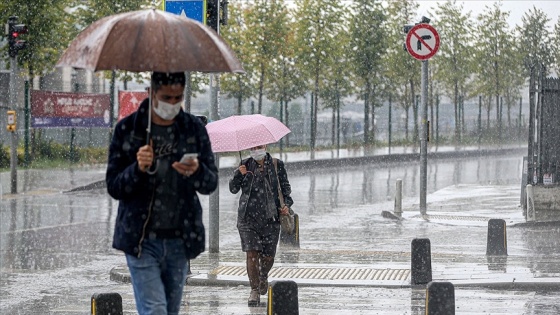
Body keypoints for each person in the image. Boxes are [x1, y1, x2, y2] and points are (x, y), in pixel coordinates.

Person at [106, 72, 218, 315]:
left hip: (179, 239)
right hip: (141, 240)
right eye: (166, 97)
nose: (172, 104)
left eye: (178, 98)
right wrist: (137, 169)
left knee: (169, 310)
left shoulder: (193, 129)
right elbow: (114, 186)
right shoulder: (128, 130)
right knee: (155, 309)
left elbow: (210, 183)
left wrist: (196, 171)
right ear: (152, 93)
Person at [229, 144, 294, 306]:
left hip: (271, 219)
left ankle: (263, 275)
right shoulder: (244, 164)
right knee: (252, 254)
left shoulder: (276, 164)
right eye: (253, 147)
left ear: (265, 146)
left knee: (268, 256)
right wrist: (239, 174)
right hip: (247, 219)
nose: (256, 150)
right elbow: (233, 189)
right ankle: (254, 290)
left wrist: (286, 204)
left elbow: (285, 189)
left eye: (259, 147)